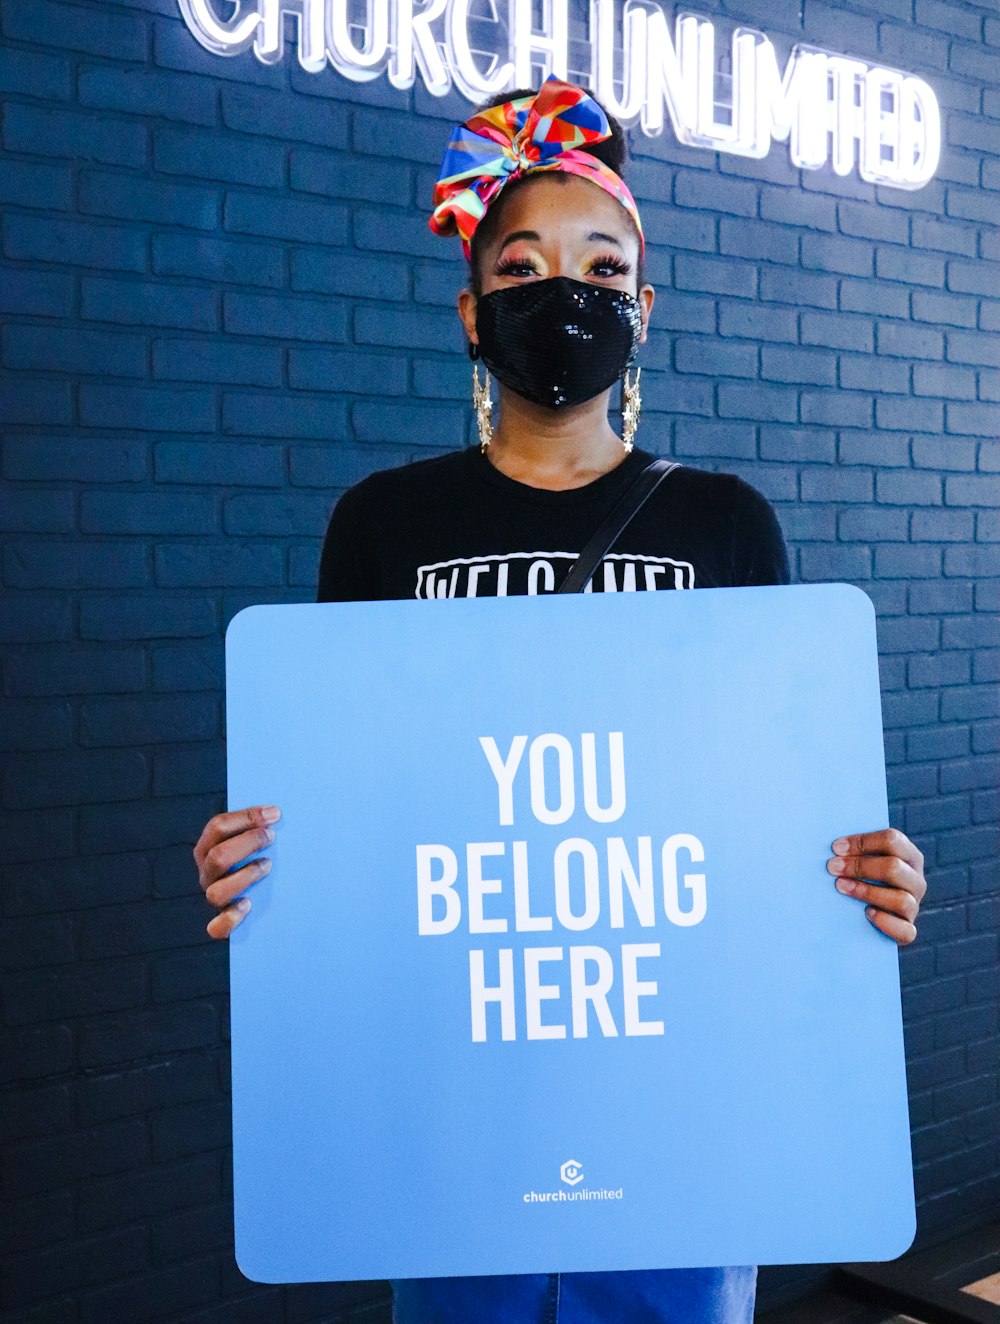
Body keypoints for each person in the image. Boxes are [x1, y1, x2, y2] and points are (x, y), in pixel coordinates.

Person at [193, 75, 927, 1323]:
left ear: (640, 310)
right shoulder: (381, 523)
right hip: (453, 1098)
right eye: (522, 266)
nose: (562, 294)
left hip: (679, 1098)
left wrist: (862, 873)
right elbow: (353, 793)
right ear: (473, 314)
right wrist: (266, 866)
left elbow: (766, 795)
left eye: (599, 265)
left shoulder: (725, 522)